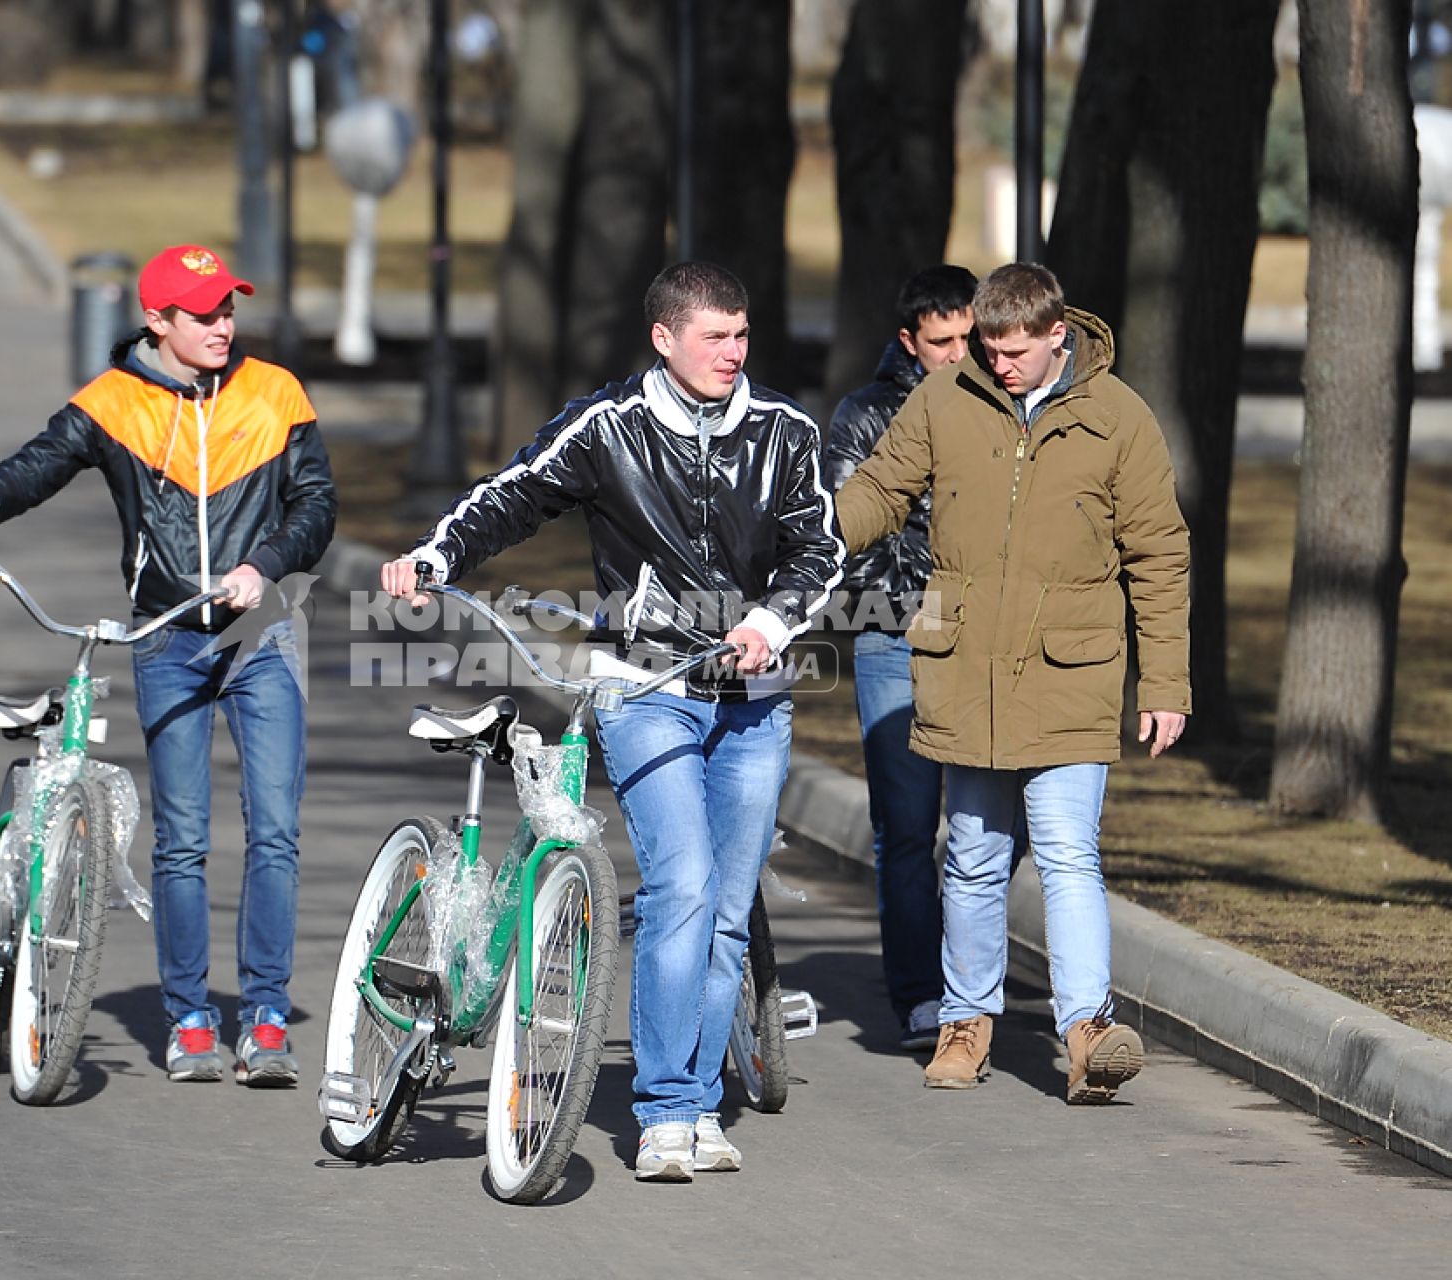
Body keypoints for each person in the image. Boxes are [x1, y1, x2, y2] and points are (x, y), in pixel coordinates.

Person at [380, 262, 845, 1180]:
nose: (733, 353)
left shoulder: (784, 430)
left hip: (753, 701)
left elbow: (819, 548)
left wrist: (767, 621)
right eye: (714, 337)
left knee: (720, 915)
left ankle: (700, 1107)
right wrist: (436, 557)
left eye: (741, 335)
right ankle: (666, 1112)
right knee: (682, 886)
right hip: (644, 686)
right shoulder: (609, 427)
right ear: (664, 339)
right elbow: (513, 493)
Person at [0, 245, 337, 1088]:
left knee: (274, 832)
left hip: (264, 633)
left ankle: (270, 1018)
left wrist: (265, 566)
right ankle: (191, 1022)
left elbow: (316, 503)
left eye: (228, 310)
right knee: (180, 842)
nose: (221, 326)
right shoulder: (112, 405)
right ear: (157, 322)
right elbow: (30, 471)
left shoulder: (274, 391)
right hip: (167, 639)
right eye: (202, 314)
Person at [833, 262, 1190, 1104]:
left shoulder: (1117, 417)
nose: (998, 364)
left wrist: (1165, 683)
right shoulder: (944, 396)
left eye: (1015, 351)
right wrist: (793, 544)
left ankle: (1086, 1033)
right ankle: (964, 1024)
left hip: (1072, 671)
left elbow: (1158, 556)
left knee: (1068, 855)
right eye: (987, 348)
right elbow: (879, 492)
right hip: (964, 668)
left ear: (1056, 334)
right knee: (973, 858)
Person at [822, 265, 978, 1053]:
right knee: (907, 827)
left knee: (991, 825)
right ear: (908, 343)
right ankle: (921, 995)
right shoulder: (866, 414)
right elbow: (847, 549)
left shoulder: (1003, 407)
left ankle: (971, 984)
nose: (957, 353)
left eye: (967, 338)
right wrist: (932, 594)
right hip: (896, 638)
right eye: (940, 341)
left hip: (988, 639)